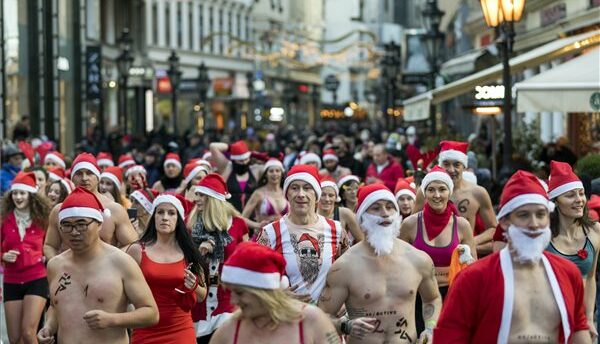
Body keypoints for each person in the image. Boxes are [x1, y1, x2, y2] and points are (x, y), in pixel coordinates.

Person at [434, 170, 591, 343]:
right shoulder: (474, 278)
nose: (534, 224)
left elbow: (578, 329)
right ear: (505, 222)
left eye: (541, 214)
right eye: (523, 215)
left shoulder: (568, 273)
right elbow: (449, 336)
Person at [318, 184, 442, 344]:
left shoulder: (418, 259)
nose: (385, 213)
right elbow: (322, 316)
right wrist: (345, 325)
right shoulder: (344, 267)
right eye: (376, 208)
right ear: (362, 216)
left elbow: (432, 299)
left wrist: (430, 328)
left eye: (390, 207)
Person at [36, 187, 159, 344]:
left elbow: (151, 313)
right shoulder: (55, 265)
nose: (74, 232)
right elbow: (56, 306)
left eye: (81, 224)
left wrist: (112, 320)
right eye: (66, 225)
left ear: (99, 224)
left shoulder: (121, 262)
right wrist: (48, 327)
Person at [209, 242, 340, 344]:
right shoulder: (228, 331)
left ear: (263, 291)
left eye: (240, 293)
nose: (233, 301)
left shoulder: (311, 320)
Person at [399, 166, 476, 334]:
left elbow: (474, 270)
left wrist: (467, 260)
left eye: (442, 189)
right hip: (419, 298)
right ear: (424, 193)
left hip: (452, 297)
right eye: (431, 190)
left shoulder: (462, 225)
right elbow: (396, 265)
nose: (437, 195)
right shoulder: (410, 224)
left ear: (449, 192)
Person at [256, 165, 348, 302]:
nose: (301, 194)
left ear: (316, 194)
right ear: (287, 194)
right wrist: (277, 294)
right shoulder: (270, 233)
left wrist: (341, 300)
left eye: (307, 188)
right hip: (287, 317)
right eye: (294, 188)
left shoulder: (337, 229)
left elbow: (349, 273)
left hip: (327, 318)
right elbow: (254, 274)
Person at [126, 192, 208, 343]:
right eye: (160, 212)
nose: (165, 217)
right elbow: (123, 291)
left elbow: (202, 295)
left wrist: (194, 285)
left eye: (171, 213)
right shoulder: (137, 250)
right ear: (154, 217)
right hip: (145, 330)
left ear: (179, 220)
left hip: (181, 331)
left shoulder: (189, 252)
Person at [187, 173, 249, 343]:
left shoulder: (238, 224)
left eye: (201, 195)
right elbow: (184, 265)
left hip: (229, 303)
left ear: (213, 199)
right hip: (198, 306)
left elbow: (246, 260)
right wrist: (200, 252)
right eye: (196, 194)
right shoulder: (191, 225)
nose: (196, 198)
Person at [43, 153, 138, 260]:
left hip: (105, 274)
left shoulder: (114, 209)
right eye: (79, 173)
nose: (84, 178)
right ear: (72, 178)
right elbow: (50, 246)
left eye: (89, 173)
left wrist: (110, 262)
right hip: (72, 274)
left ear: (98, 177)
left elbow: (133, 245)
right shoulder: (59, 211)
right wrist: (59, 266)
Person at [545, 161, 600, 339]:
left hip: (580, 321)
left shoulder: (595, 231)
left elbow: (590, 277)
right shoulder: (542, 237)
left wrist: (590, 318)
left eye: (581, 193)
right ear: (555, 202)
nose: (579, 200)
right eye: (570, 195)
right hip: (549, 319)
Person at [414, 141, 497, 257]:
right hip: (430, 260)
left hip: (464, 260)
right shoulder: (424, 192)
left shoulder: (478, 193)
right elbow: (413, 226)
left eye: (457, 164)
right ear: (440, 164)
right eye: (446, 164)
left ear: (464, 166)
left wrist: (470, 242)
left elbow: (493, 229)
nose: (451, 170)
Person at [1, 172, 52, 344]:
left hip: (36, 278)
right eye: (15, 193)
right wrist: (3, 256)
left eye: (22, 193)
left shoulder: (43, 219)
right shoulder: (4, 219)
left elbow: (52, 245)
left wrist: (46, 256)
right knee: (15, 338)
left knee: (29, 333)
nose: (18, 197)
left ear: (31, 195)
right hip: (11, 280)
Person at [209, 140, 262, 212]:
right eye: (240, 161)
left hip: (252, 217)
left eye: (246, 159)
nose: (244, 163)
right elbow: (213, 146)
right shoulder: (227, 167)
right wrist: (232, 148)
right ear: (234, 160)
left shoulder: (255, 170)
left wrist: (262, 158)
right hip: (230, 215)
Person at [242, 159, 288, 233]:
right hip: (263, 237)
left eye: (277, 171)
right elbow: (242, 218)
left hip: (283, 238)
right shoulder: (258, 193)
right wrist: (258, 225)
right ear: (265, 174)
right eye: (271, 171)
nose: (274, 174)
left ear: (282, 173)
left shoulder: (287, 193)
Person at [318, 177, 363, 244]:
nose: (327, 199)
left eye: (331, 195)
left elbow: (362, 241)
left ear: (336, 198)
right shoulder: (310, 213)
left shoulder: (345, 213)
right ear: (317, 196)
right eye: (323, 195)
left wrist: (349, 253)